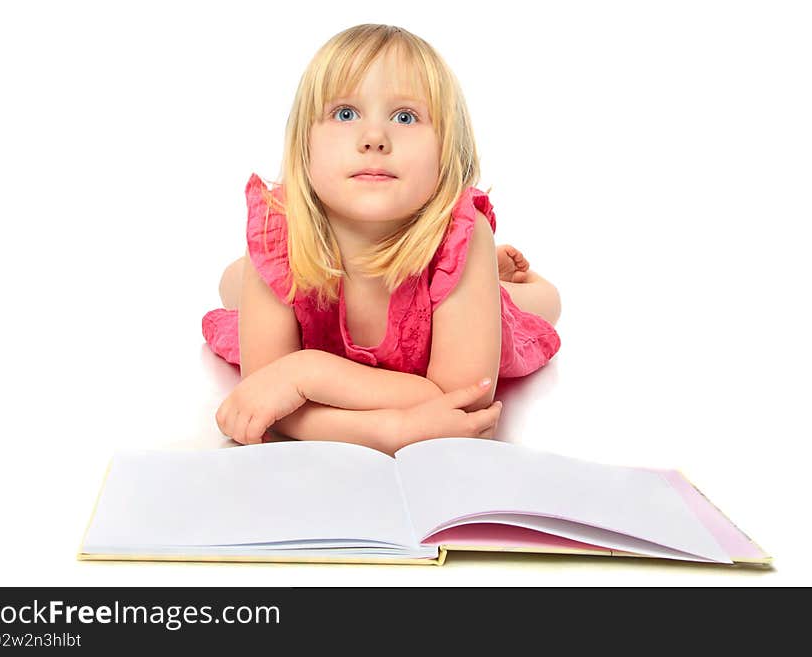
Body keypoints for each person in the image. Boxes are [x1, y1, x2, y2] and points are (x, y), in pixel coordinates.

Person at [202, 24, 561, 456]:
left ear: (446, 151)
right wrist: (389, 428)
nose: (374, 139)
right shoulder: (276, 230)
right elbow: (262, 398)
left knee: (538, 305)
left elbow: (463, 399)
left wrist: (306, 373)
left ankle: (500, 284)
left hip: (434, 281)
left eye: (405, 117)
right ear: (305, 144)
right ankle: (242, 280)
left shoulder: (458, 238)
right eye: (346, 113)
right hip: (319, 266)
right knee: (237, 287)